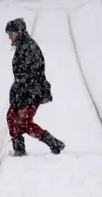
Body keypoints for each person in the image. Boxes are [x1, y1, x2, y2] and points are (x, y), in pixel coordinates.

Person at [5, 18, 65, 156]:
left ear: (19, 32)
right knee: (11, 117)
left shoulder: (30, 47)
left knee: (23, 122)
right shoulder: (22, 47)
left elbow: (35, 72)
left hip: (32, 92)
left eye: (11, 34)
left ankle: (54, 143)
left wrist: (23, 87)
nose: (9, 37)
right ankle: (18, 149)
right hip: (21, 92)